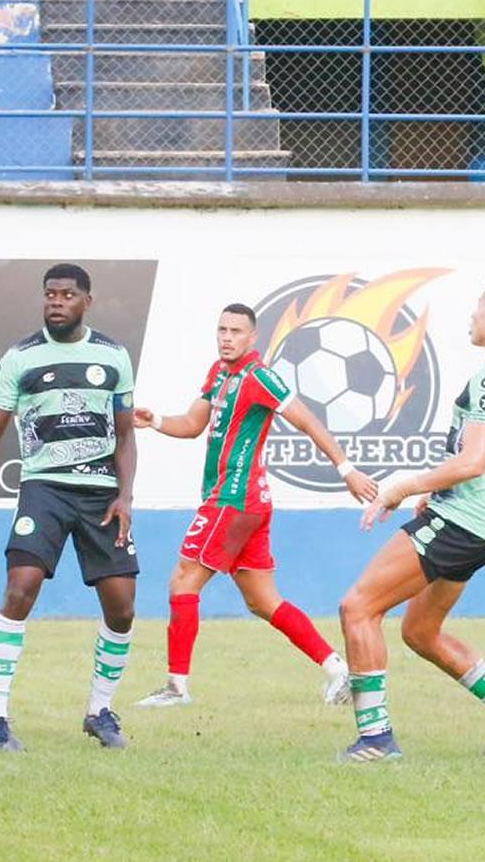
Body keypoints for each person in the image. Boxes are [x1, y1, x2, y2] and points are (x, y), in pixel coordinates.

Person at [337, 278, 485, 762]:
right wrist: (440, 490)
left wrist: (405, 487)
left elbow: (473, 461)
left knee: (358, 608)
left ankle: (376, 740)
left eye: (477, 308)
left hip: (461, 522)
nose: (471, 317)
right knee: (420, 631)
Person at [133, 304, 379, 710]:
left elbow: (308, 421)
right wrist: (156, 420)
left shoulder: (259, 377)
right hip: (249, 503)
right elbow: (192, 425)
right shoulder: (219, 373)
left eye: (236, 331)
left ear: (253, 337)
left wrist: (346, 469)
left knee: (183, 582)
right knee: (263, 601)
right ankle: (337, 669)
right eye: (222, 330)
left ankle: (176, 688)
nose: (227, 337)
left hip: (234, 498)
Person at [0, 264, 138, 752]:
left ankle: (100, 711)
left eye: (67, 295)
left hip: (101, 493)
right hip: (44, 489)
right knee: (20, 589)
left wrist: (125, 496)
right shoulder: (21, 358)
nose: (57, 302)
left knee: (122, 607)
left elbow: (125, 435)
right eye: (50, 294)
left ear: (87, 301)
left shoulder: (113, 356)